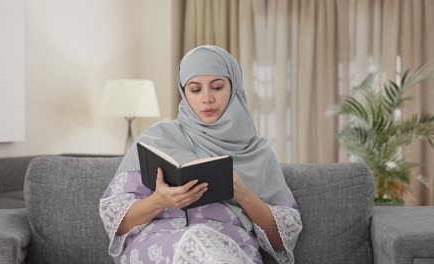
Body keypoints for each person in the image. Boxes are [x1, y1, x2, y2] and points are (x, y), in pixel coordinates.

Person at [99, 45, 302, 264]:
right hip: (156, 247)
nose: (207, 98)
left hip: (231, 247)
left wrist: (242, 193)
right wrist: (159, 200)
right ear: (184, 93)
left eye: (217, 87)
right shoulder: (156, 139)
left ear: (234, 88)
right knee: (193, 241)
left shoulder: (258, 152)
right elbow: (118, 224)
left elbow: (281, 241)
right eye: (195, 90)